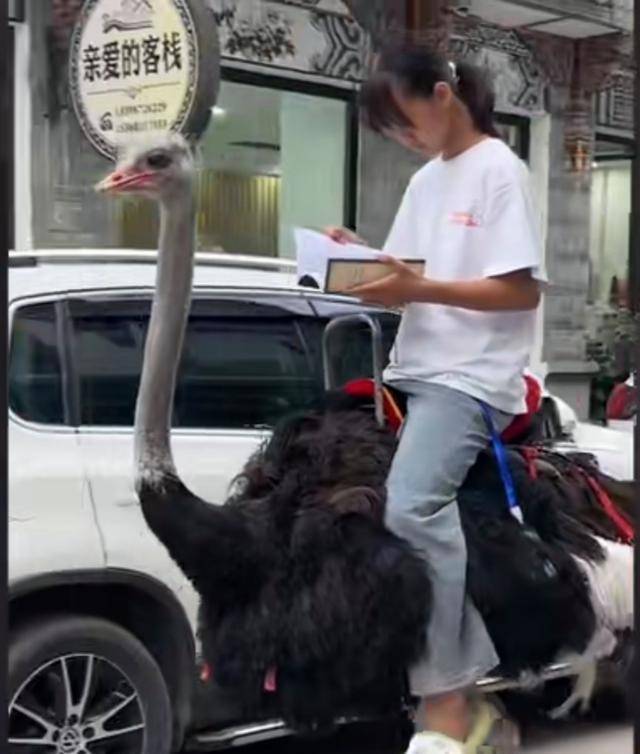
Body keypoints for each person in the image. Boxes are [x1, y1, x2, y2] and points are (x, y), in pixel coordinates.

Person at [326, 42, 545, 754]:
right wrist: (354, 260)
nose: (403, 138)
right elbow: (406, 276)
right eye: (390, 132)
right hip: (413, 369)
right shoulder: (426, 183)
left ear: (442, 96)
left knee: (412, 503)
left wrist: (416, 288)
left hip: (472, 376)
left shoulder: (501, 174)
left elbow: (520, 289)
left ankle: (446, 698)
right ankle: (457, 690)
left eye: (405, 122)